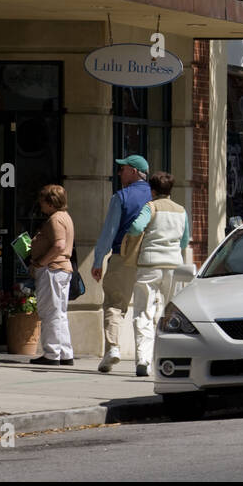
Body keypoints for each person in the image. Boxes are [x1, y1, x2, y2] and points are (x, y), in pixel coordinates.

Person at [124, 171, 194, 377]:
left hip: (149, 264)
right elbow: (184, 240)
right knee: (171, 312)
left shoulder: (150, 207)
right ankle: (170, 356)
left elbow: (136, 227)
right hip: (173, 265)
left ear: (152, 191)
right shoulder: (181, 211)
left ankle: (143, 359)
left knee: (143, 311)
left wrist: (136, 236)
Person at [90, 155, 152, 372]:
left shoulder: (121, 197)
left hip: (123, 258)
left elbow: (109, 232)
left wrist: (98, 260)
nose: (119, 173)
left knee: (115, 305)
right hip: (151, 261)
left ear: (134, 172)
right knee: (147, 311)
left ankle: (113, 348)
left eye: (122, 169)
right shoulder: (156, 196)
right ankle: (144, 358)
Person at [28, 184, 75, 366]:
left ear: (50, 202)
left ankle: (51, 353)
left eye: (42, 201)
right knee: (60, 312)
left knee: (50, 312)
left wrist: (41, 262)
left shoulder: (55, 219)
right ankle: (65, 352)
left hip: (53, 270)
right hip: (61, 270)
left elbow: (59, 245)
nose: (40, 205)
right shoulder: (65, 217)